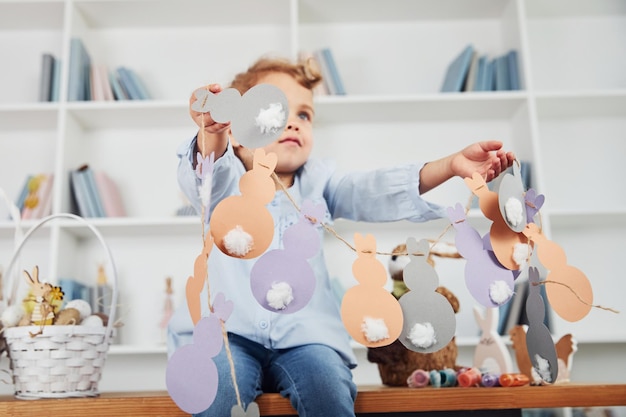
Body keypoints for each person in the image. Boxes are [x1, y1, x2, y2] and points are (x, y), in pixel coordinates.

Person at [168, 56, 515, 416]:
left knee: (328, 390)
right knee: (216, 390)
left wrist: (450, 166)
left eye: (304, 115)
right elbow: (202, 178)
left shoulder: (321, 184)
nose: (295, 123)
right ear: (238, 133)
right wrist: (213, 133)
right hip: (229, 334)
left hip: (307, 339)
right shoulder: (224, 182)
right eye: (277, 110)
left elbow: (371, 189)